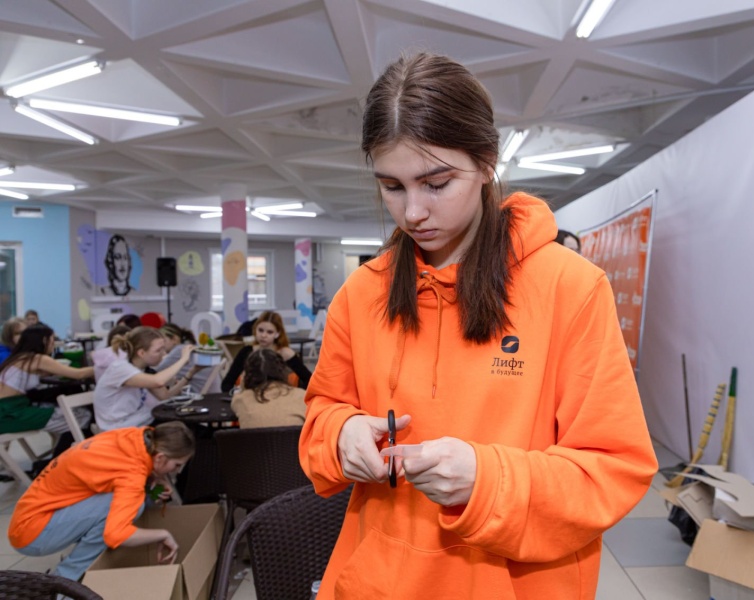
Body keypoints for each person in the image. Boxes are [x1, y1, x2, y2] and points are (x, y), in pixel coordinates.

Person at [298, 52, 657, 599]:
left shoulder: (571, 288)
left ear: (487, 162)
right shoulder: (362, 294)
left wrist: (487, 481)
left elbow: (612, 470)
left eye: (436, 183)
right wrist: (341, 433)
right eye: (392, 186)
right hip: (380, 583)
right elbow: (321, 417)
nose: (412, 212)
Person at [8, 422, 194, 581]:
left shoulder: (135, 436)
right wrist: (162, 534)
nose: (176, 471)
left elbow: (120, 468)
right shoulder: (131, 474)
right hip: (32, 533)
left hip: (30, 515)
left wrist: (155, 475)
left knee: (134, 501)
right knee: (129, 507)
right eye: (176, 465)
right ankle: (64, 584)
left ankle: (87, 567)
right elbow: (116, 535)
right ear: (160, 457)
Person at [93, 327, 200, 430]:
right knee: (181, 431)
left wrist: (191, 372)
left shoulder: (143, 369)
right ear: (141, 353)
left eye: (163, 349)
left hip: (139, 422)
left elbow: (165, 396)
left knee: (191, 427)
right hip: (120, 430)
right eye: (158, 350)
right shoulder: (120, 368)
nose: (164, 354)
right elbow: (158, 381)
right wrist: (183, 359)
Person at [0, 325, 93, 436]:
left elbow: (44, 373)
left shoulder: (18, 357)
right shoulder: (37, 358)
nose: (54, 344)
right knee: (82, 416)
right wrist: (105, 366)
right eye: (53, 340)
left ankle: (66, 445)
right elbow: (78, 374)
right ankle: (71, 446)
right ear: (45, 340)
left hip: (8, 409)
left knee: (68, 412)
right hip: (11, 413)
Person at [220, 311, 312, 394]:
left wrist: (294, 395)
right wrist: (237, 393)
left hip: (280, 398)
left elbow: (310, 381)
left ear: (277, 334)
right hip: (251, 398)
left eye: (269, 332)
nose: (263, 335)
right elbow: (226, 384)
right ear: (255, 330)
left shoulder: (286, 354)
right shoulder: (246, 352)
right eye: (260, 330)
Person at [231, 348, 306, 428]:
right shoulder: (301, 395)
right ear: (282, 370)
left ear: (247, 374)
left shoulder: (240, 399)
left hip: (256, 437)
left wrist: (243, 385)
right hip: (293, 436)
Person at [156, 323, 218, 394]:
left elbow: (155, 373)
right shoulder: (187, 348)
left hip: (198, 395)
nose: (160, 345)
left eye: (163, 341)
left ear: (174, 339)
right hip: (210, 393)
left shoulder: (179, 350)